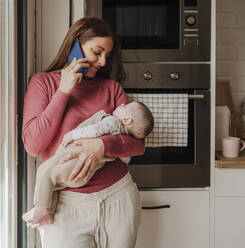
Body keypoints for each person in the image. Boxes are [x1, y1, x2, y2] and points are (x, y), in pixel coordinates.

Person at [22, 16, 146, 247]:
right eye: (97, 52)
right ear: (74, 46)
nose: (101, 62)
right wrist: (64, 91)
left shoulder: (112, 89)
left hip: (118, 196)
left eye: (106, 56)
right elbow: (32, 145)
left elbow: (138, 144)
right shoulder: (43, 83)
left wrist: (102, 147)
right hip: (64, 205)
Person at [22, 101, 154, 228]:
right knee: (54, 184)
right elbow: (126, 158)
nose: (122, 104)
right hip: (82, 175)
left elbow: (94, 130)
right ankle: (47, 211)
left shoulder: (112, 122)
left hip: (75, 164)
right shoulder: (120, 138)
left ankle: (41, 208)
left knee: (45, 171)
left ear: (127, 120)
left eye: (126, 106)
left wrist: (73, 135)